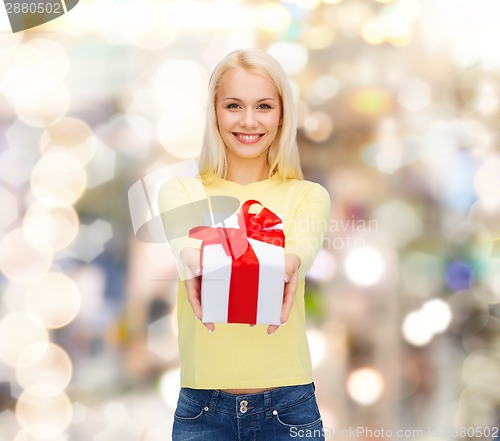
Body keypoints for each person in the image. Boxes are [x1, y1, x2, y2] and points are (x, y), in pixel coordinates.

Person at [159, 48, 331, 441]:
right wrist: (194, 260)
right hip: (202, 411)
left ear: (282, 115)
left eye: (264, 106)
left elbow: (297, 255)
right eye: (234, 105)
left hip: (288, 408)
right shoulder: (182, 191)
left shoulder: (308, 196)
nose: (249, 121)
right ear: (215, 113)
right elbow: (185, 247)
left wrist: (285, 266)